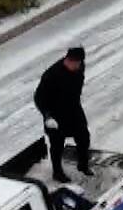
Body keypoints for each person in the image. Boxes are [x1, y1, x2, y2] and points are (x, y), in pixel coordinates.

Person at [34, 47, 92, 181]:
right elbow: (39, 97)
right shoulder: (51, 75)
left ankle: (83, 165)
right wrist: (47, 116)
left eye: (77, 63)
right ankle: (57, 172)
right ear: (67, 59)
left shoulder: (80, 67)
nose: (75, 66)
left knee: (84, 137)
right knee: (57, 145)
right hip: (54, 114)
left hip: (73, 109)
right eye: (72, 62)